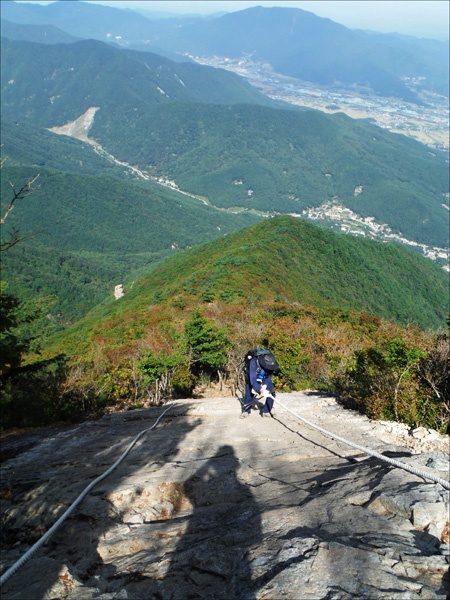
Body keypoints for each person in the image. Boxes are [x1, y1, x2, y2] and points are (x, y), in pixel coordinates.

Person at [240, 349, 278, 418]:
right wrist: (260, 389)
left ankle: (266, 411)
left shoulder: (271, 362)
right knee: (249, 393)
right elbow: (253, 381)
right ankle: (246, 411)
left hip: (263, 377)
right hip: (252, 377)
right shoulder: (253, 363)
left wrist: (265, 385)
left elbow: (269, 375)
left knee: (272, 393)